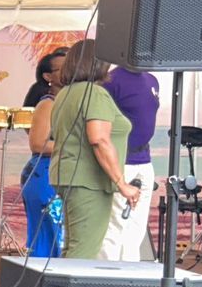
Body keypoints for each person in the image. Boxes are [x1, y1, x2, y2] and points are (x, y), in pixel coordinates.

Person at [49, 38, 141, 259]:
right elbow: (99, 139)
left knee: (73, 247)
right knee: (83, 251)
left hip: (68, 175)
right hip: (89, 180)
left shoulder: (65, 94)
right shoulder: (95, 94)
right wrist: (122, 183)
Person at [103, 64, 162, 261]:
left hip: (144, 160)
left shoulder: (152, 80)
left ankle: (130, 272)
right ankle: (107, 273)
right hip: (122, 160)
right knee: (115, 224)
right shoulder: (111, 81)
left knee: (137, 225)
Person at [21, 88, 65, 258]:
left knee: (54, 235)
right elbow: (38, 144)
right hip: (45, 174)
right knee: (50, 234)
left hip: (54, 172)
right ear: (49, 76)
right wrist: (77, 147)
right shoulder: (48, 104)